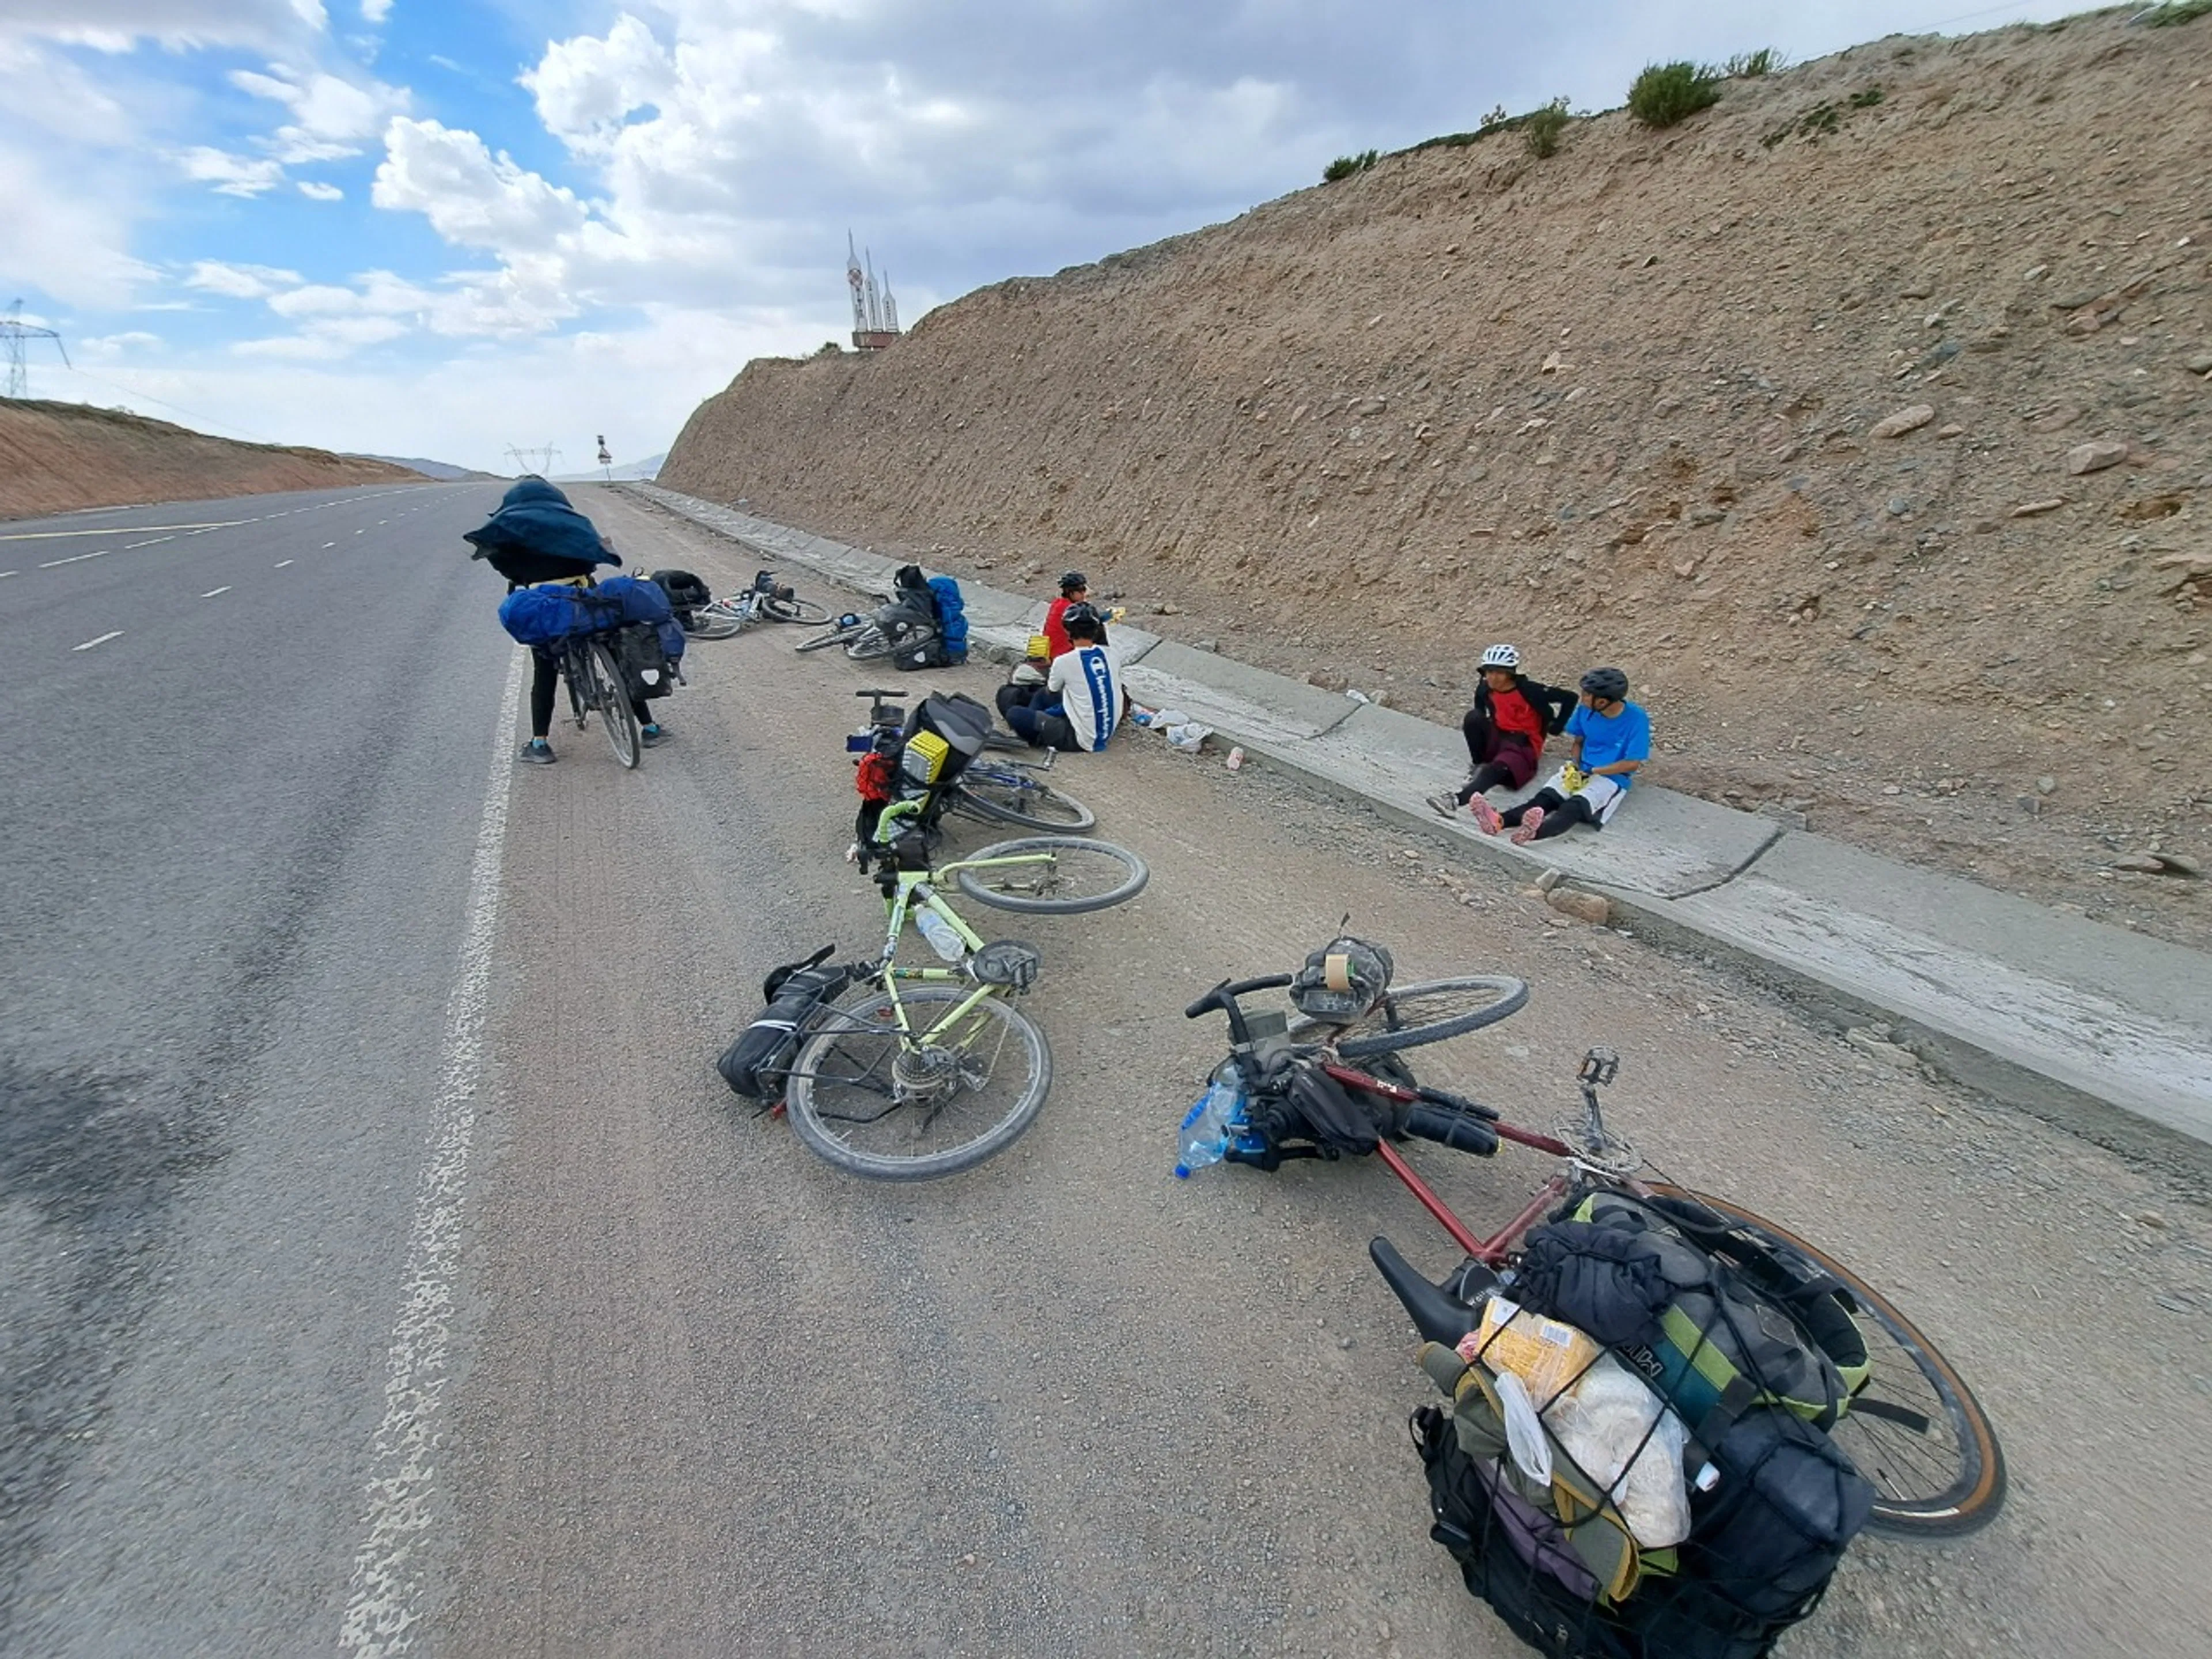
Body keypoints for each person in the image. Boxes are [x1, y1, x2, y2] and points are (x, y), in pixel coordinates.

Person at [465, 476, 664, 764]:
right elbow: (595, 557)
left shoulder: (512, 526)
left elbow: (505, 567)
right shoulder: (574, 521)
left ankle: (539, 744)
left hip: (547, 606)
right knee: (617, 656)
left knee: (544, 669)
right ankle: (649, 727)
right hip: (582, 597)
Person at [1470, 667, 1650, 844]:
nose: (1583, 697)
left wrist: (1594, 770)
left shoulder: (1636, 719)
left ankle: (1535, 833)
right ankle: (1499, 820)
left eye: (1587, 694)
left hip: (1612, 777)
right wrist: (1576, 764)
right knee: (1545, 799)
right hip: (1582, 768)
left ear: (1602, 702)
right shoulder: (1586, 710)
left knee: (1573, 807)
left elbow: (1632, 764)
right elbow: (1579, 741)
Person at [1426, 644, 1577, 817]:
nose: (1493, 677)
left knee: (1493, 771)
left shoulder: (1530, 691)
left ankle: (1455, 801)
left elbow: (1570, 698)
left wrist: (1557, 727)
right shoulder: (1485, 688)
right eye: (1489, 672)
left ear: (1510, 673)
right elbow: (1480, 710)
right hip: (1500, 736)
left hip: (1523, 745)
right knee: (1473, 718)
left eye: (1499, 672)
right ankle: (1479, 763)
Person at [997, 604, 1123, 751]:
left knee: (1015, 713)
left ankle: (1036, 729)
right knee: (1043, 697)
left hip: (1081, 739)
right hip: (1106, 730)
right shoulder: (1112, 654)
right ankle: (1038, 718)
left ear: (1068, 633)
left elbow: (1051, 690)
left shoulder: (1064, 661)